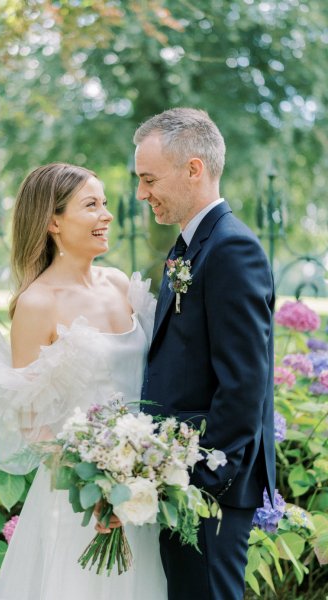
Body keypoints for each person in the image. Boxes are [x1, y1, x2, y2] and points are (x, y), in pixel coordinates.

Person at [0, 163, 167, 599]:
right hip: (79, 498)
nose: (106, 215)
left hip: (141, 490)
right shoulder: (38, 303)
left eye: (104, 204)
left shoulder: (119, 284)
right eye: (91, 205)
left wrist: (139, 477)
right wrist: (98, 487)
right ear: (53, 222)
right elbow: (31, 421)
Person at [134, 108, 275, 600]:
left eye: (149, 179)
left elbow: (244, 383)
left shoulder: (232, 249)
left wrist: (203, 479)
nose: (141, 193)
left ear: (193, 168)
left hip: (207, 487)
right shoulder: (190, 248)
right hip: (181, 478)